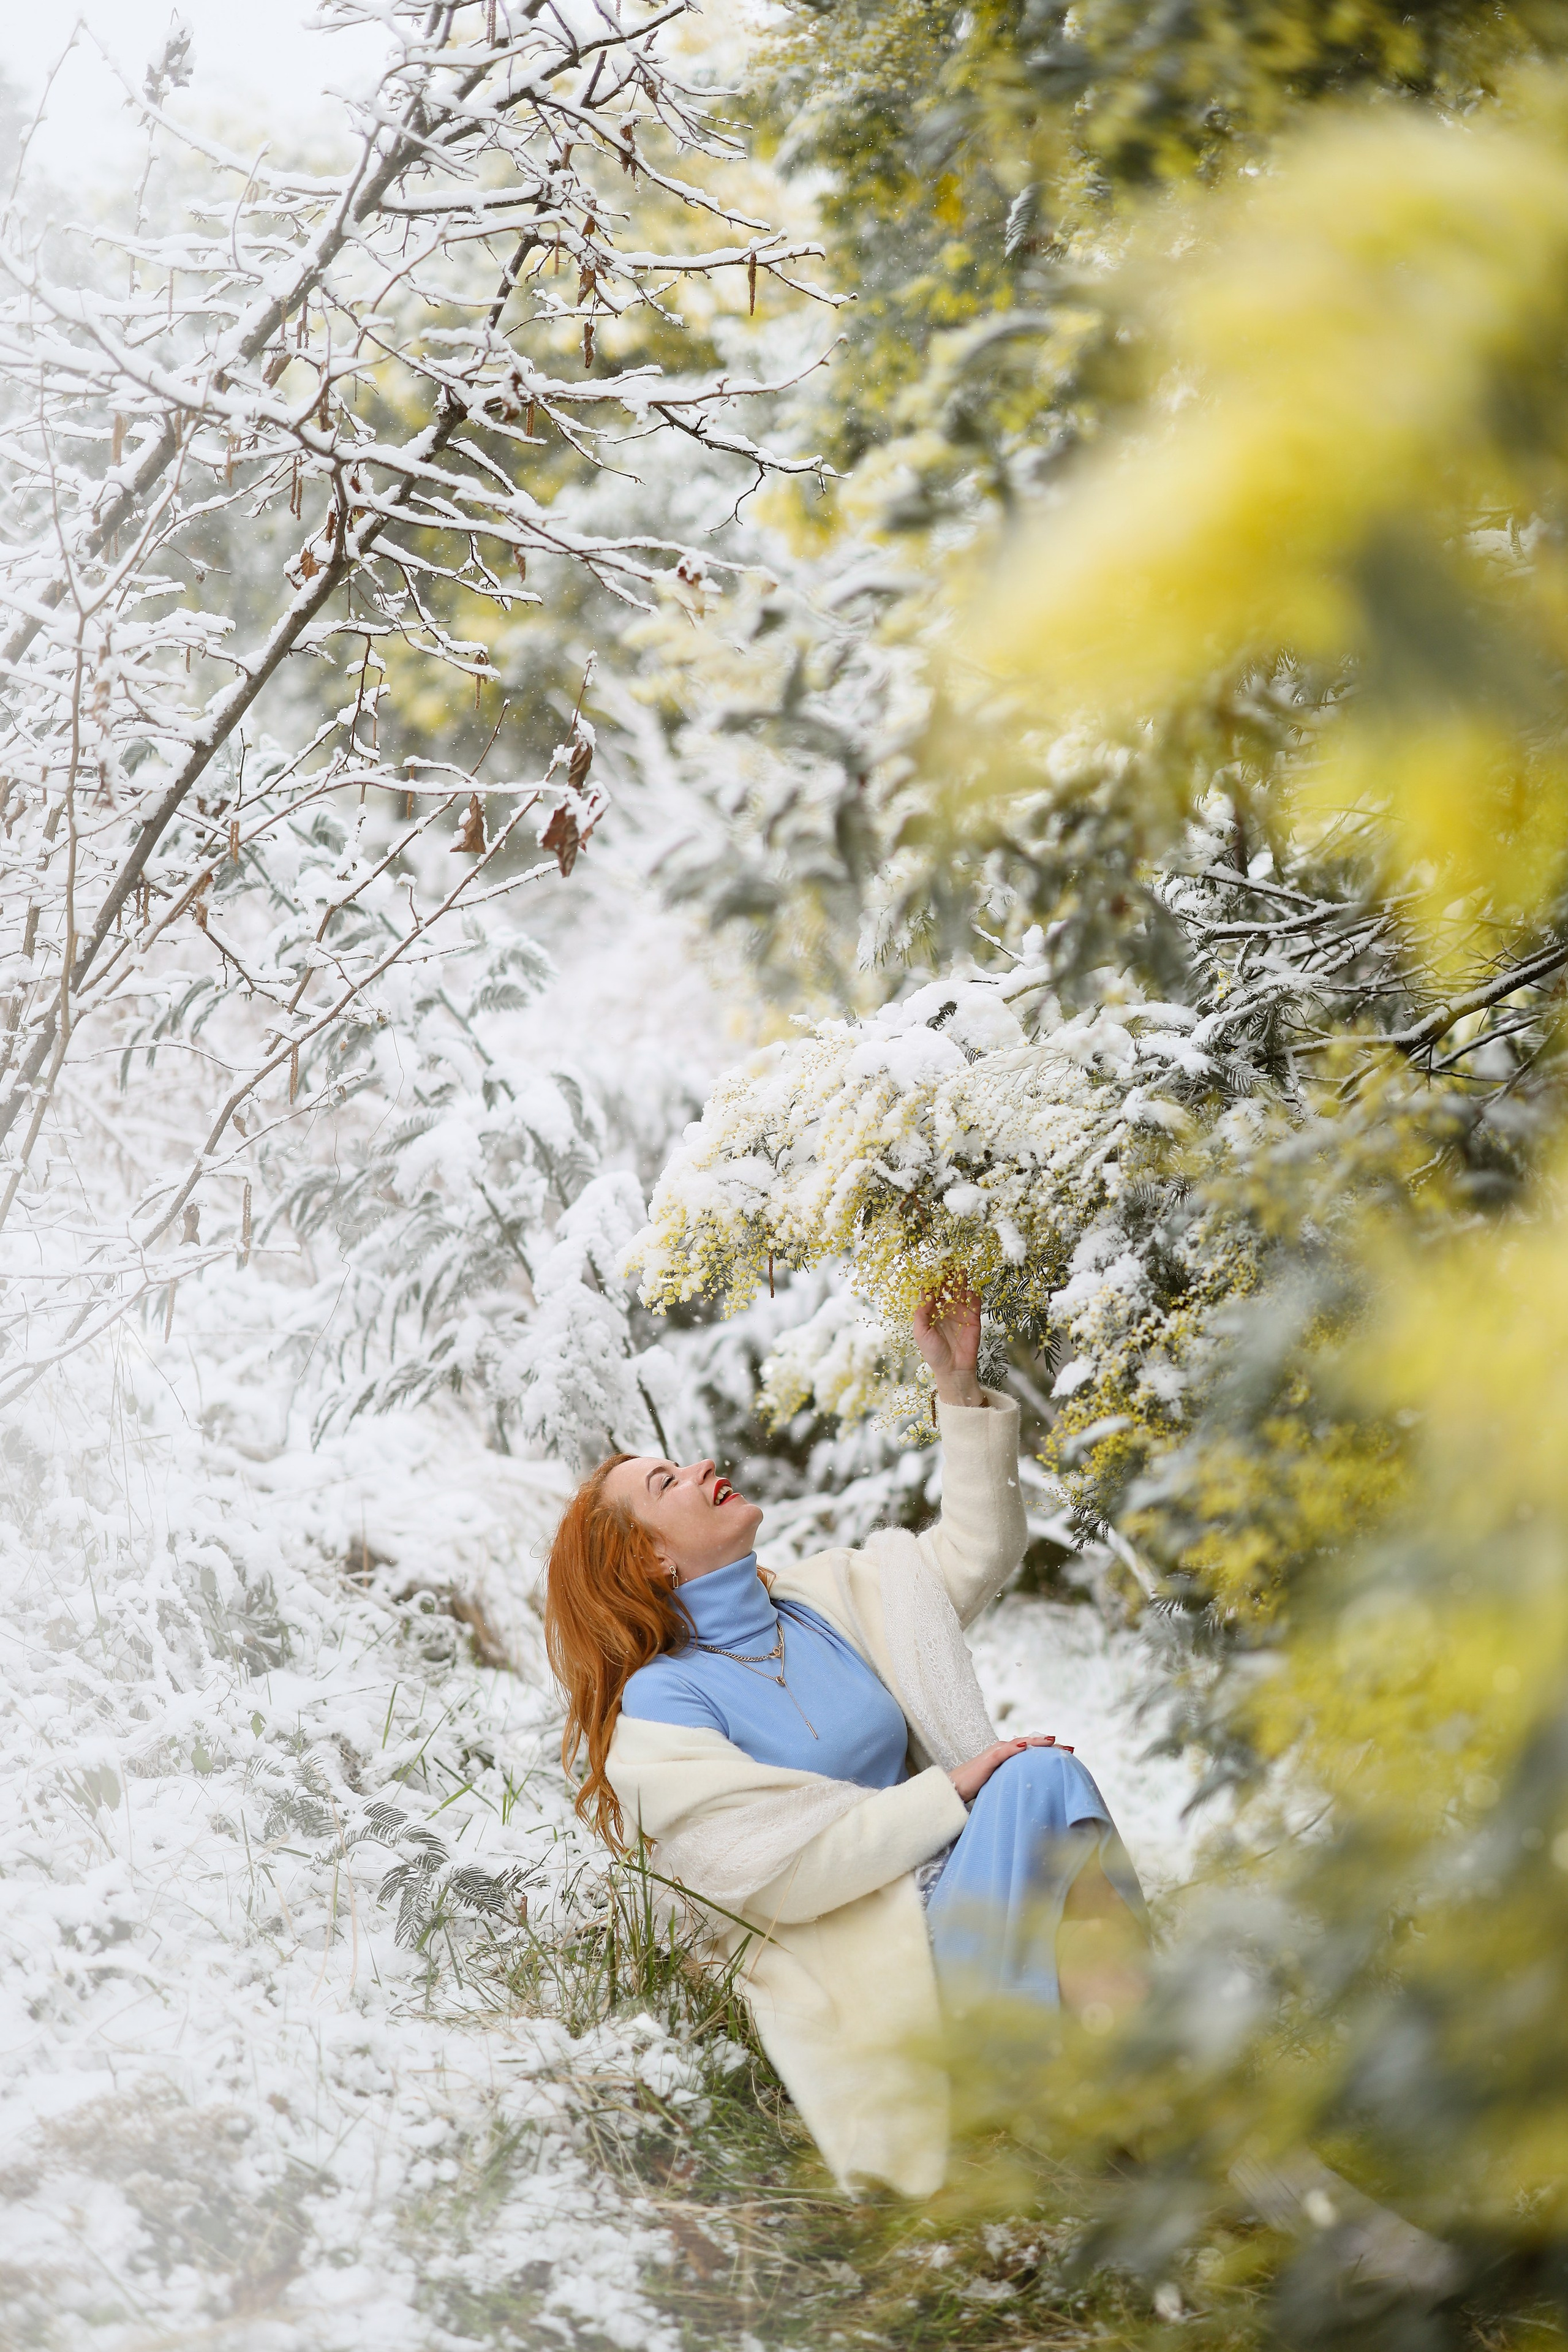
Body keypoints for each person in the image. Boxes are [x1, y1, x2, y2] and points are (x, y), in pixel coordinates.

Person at [543, 1284, 1148, 2196]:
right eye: (667, 1483)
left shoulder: (829, 1599)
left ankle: (1134, 2102)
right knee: (1032, 1783)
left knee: (1042, 1787)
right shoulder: (662, 1711)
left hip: (970, 1896)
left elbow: (977, 1551)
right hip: (876, 1962)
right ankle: (1135, 2105)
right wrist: (955, 1792)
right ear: (651, 1561)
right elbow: (782, 1871)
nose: (703, 1465)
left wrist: (958, 1389)